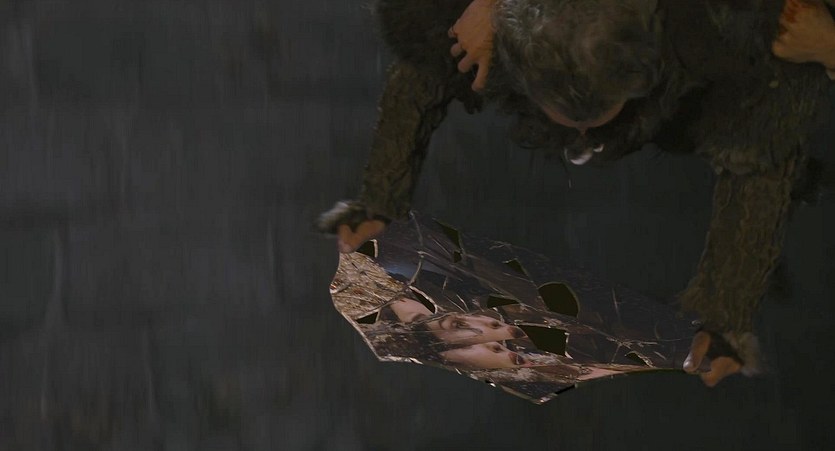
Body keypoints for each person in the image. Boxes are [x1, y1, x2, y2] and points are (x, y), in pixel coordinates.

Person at [319, 0, 829, 388]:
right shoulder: (480, 27)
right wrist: (381, 199)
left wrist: (725, 315)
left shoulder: (734, 37)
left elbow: (759, 169)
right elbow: (419, 79)